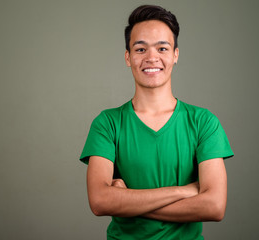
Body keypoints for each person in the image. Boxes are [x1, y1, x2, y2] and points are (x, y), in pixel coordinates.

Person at [79, 5, 234, 240]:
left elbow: (214, 207)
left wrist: (127, 200)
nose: (152, 58)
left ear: (175, 55)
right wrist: (183, 191)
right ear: (128, 57)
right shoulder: (107, 123)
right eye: (140, 49)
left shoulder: (204, 122)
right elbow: (100, 201)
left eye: (162, 48)